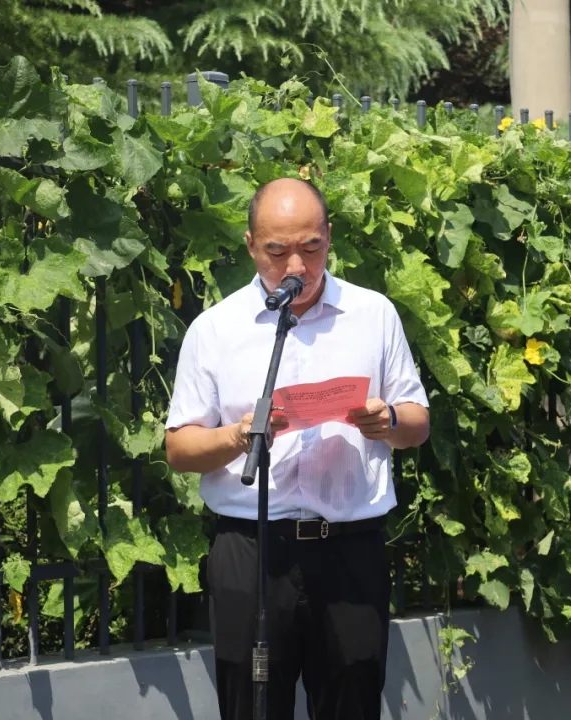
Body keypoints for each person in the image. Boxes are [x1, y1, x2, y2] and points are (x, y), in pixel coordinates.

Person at [164, 177, 430, 720]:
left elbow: (418, 423)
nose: (296, 266)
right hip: (253, 550)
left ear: (329, 236)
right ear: (250, 246)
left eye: (311, 248)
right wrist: (239, 435)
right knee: (252, 704)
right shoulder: (216, 329)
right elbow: (179, 448)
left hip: (349, 548)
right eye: (276, 251)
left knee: (353, 702)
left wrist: (387, 420)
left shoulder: (373, 314)